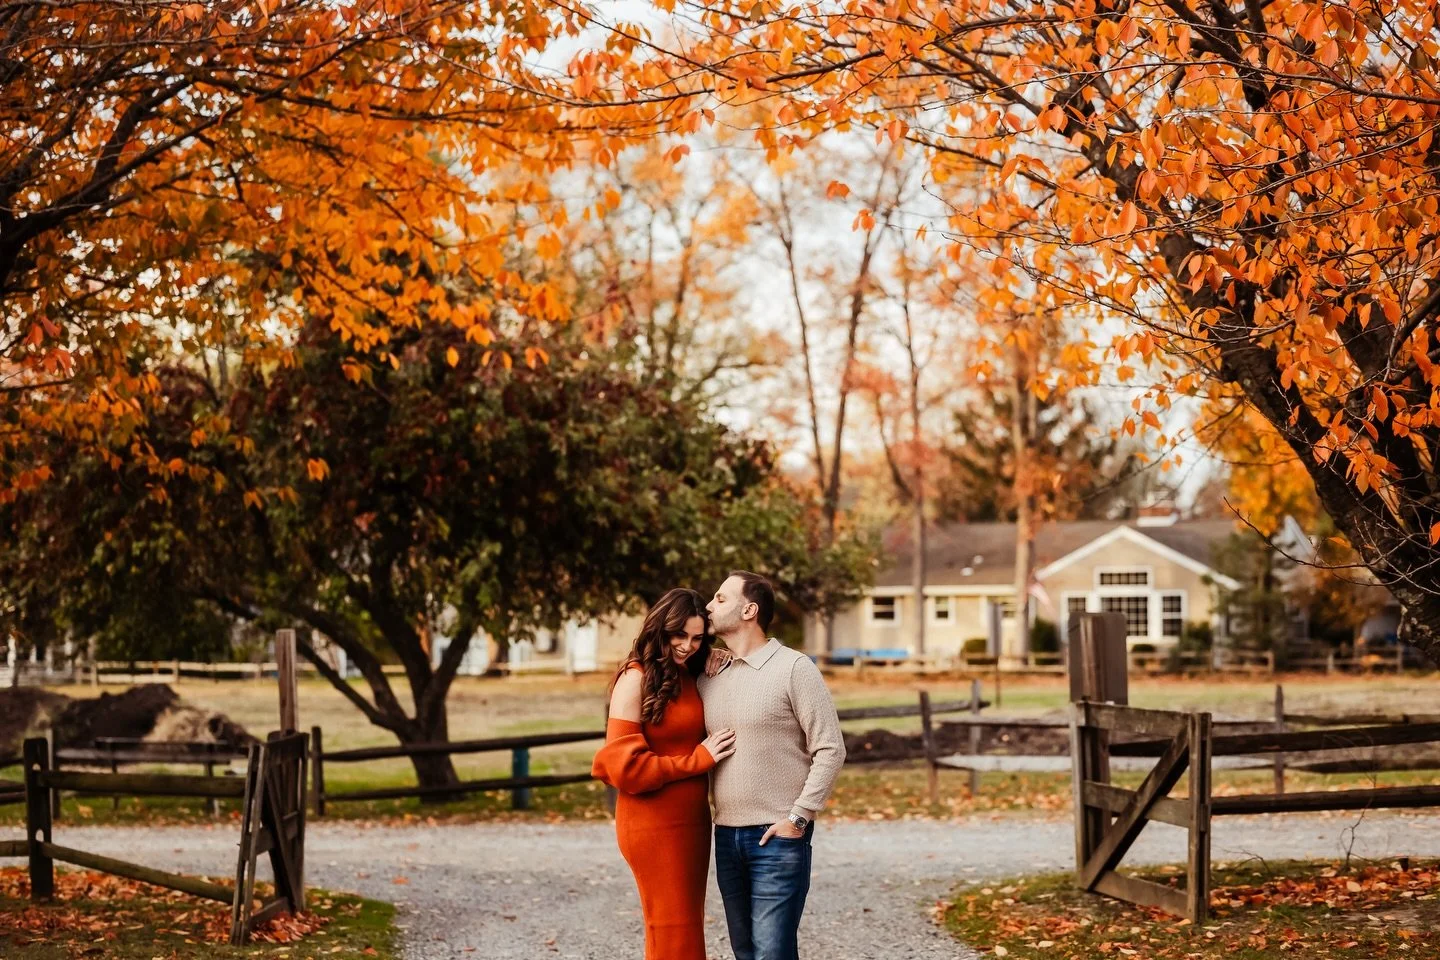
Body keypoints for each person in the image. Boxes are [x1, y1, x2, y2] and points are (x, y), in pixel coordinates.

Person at [699, 571, 845, 960]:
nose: (709, 606)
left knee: (772, 954)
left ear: (750, 610)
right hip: (726, 836)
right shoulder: (710, 674)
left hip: (777, 836)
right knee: (745, 952)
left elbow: (830, 748)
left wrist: (799, 818)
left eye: (719, 598)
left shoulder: (795, 668)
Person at [591, 588, 737, 960]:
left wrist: (724, 656)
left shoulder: (689, 673)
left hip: (691, 821)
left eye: (697, 638)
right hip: (651, 822)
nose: (687, 645)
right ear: (661, 628)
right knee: (671, 927)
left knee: (682, 926)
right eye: (679, 635)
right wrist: (697, 760)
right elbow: (627, 768)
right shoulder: (634, 679)